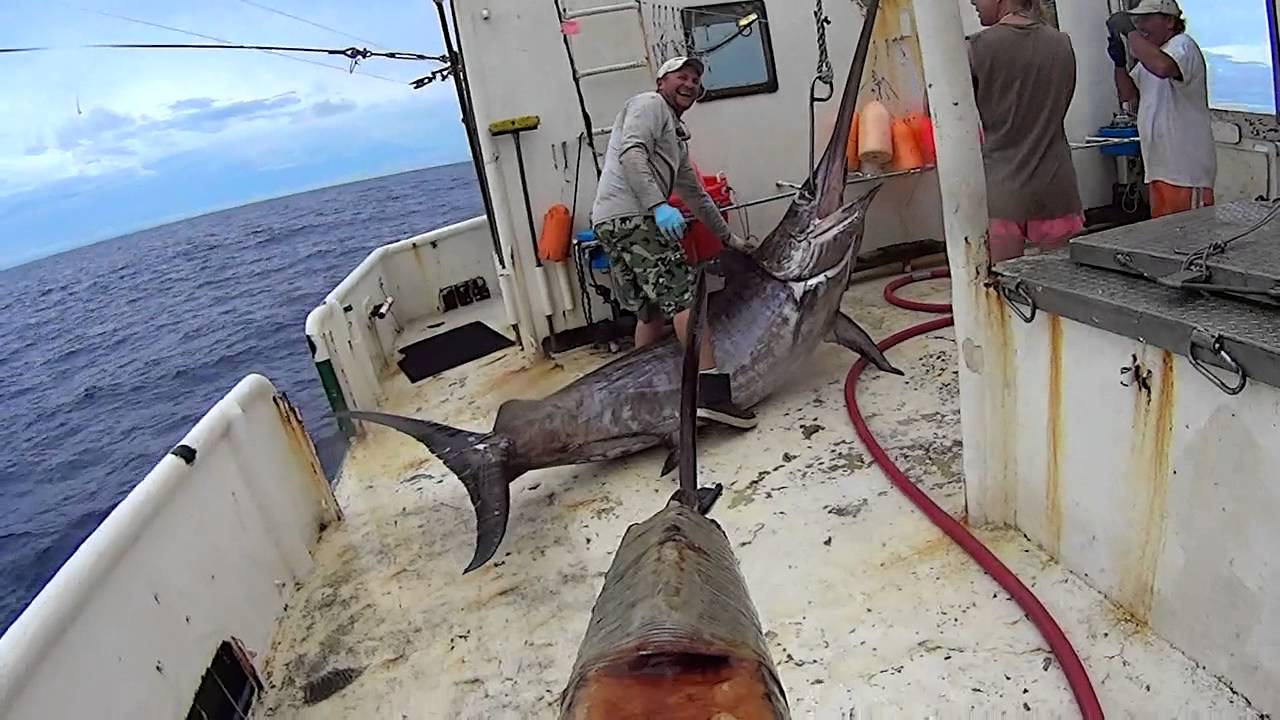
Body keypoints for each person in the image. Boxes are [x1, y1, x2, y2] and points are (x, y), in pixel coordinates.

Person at [590, 56, 757, 430]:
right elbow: (631, 152)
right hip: (636, 219)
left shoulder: (674, 138)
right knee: (687, 300)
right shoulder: (649, 105)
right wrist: (657, 205)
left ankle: (642, 394)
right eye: (682, 76)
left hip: (610, 222)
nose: (691, 84)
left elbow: (697, 195)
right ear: (662, 81)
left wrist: (730, 239)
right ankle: (714, 397)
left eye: (696, 80)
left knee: (649, 310)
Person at [969, 0, 1085, 263]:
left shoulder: (975, 48)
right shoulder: (1062, 44)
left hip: (1002, 194)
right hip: (1056, 188)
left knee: (1001, 294)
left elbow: (938, 109)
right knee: (1062, 291)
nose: (972, 1)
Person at [1109, 0, 1217, 218]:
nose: (1140, 25)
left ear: (1169, 21)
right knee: (1164, 242)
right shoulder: (1152, 56)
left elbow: (1163, 67)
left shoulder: (1182, 46)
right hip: (1159, 169)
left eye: (1146, 19)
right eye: (1136, 20)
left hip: (1185, 172)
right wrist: (1119, 62)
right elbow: (1128, 94)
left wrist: (1130, 33)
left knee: (1190, 241)